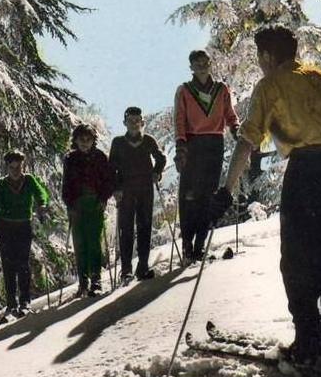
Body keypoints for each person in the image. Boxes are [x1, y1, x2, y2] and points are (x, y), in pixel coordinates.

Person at [210, 26, 321, 364]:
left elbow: (248, 141)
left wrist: (226, 190)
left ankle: (308, 338)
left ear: (267, 55)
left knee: (297, 258)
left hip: (307, 173)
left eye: (259, 57)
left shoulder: (270, 84)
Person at [174, 50, 239, 262]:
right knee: (189, 195)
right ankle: (187, 244)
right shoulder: (184, 90)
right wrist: (181, 145)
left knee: (207, 195)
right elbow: (180, 119)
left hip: (214, 143)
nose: (202, 66)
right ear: (191, 67)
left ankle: (200, 245)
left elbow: (230, 114)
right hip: (193, 143)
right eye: (197, 63)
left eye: (205, 62)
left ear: (210, 64)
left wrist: (235, 128)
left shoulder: (221, 89)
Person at [109, 107, 167, 283]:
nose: (134, 124)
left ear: (142, 122)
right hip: (126, 190)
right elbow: (112, 167)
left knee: (144, 227)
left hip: (145, 189)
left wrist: (157, 172)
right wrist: (116, 188)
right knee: (125, 229)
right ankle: (126, 269)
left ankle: (143, 266)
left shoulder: (149, 140)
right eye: (131, 120)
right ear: (125, 123)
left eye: (137, 121)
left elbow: (161, 158)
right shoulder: (118, 142)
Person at [0, 150, 50, 318]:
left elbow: (41, 194)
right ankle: (11, 303)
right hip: (6, 228)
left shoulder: (29, 180)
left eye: (18, 167)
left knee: (23, 264)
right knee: (8, 266)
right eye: (12, 167)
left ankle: (25, 301)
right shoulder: (2, 184)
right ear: (7, 167)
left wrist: (42, 204)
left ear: (22, 166)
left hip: (23, 226)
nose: (16, 171)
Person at [61, 123, 115, 297]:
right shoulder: (70, 158)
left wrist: (103, 198)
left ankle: (96, 280)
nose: (85, 142)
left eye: (88, 139)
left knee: (94, 242)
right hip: (77, 205)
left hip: (95, 202)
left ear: (94, 140)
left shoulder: (100, 157)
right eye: (81, 139)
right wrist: (69, 204)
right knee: (79, 243)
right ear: (75, 140)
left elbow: (108, 180)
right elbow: (66, 185)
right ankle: (83, 282)